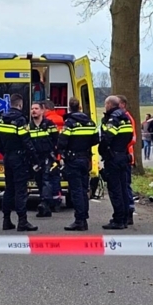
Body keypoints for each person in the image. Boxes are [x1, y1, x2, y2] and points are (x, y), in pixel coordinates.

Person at [0, 93, 38, 231]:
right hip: (19, 159)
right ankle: (22, 221)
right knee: (20, 190)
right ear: (20, 105)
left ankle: (6, 220)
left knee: (9, 189)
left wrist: (6, 153)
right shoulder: (20, 120)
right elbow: (26, 141)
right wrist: (34, 158)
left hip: (7, 157)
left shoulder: (1, 119)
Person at [57, 97, 99, 230]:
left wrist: (65, 152)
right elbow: (95, 140)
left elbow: (62, 142)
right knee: (83, 189)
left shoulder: (69, 123)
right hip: (85, 159)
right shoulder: (90, 123)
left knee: (76, 191)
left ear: (70, 108)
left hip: (73, 160)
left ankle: (79, 220)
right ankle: (84, 218)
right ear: (80, 107)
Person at [99, 96, 133, 229]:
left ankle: (118, 219)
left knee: (115, 189)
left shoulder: (113, 119)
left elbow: (108, 137)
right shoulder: (126, 118)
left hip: (113, 158)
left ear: (109, 105)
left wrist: (102, 150)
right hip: (123, 157)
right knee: (123, 188)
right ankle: (124, 218)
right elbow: (130, 137)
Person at [28, 102, 59, 217]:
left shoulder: (49, 125)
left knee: (46, 179)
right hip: (35, 158)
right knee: (39, 180)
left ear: (42, 111)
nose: (34, 111)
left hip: (47, 156)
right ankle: (46, 207)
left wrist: (55, 156)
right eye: (32, 109)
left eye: (36, 108)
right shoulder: (29, 126)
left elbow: (57, 140)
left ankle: (44, 203)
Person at [116, 95, 137, 225]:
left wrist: (119, 147)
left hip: (126, 157)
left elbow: (132, 138)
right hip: (123, 156)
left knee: (125, 186)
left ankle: (129, 211)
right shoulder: (121, 117)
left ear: (123, 104)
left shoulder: (127, 118)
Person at [42, 100, 65, 209]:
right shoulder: (60, 119)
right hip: (59, 154)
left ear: (46, 109)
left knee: (50, 178)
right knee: (56, 176)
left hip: (51, 154)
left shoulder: (48, 121)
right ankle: (57, 198)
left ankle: (51, 200)